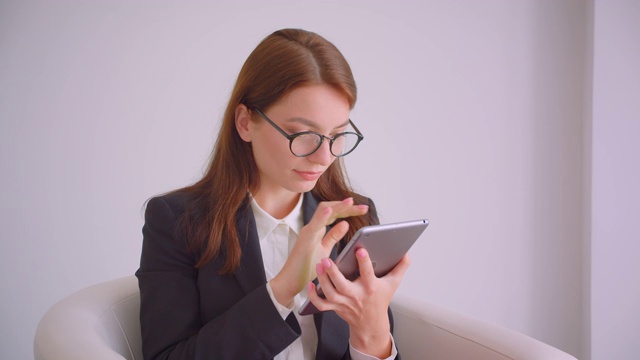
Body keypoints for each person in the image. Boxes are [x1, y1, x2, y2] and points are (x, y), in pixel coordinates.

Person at [135, 28, 410, 360]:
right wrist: (281, 290)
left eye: (338, 135)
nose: (324, 157)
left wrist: (374, 330)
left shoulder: (354, 217)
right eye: (303, 134)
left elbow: (371, 341)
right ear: (245, 123)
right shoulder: (178, 221)